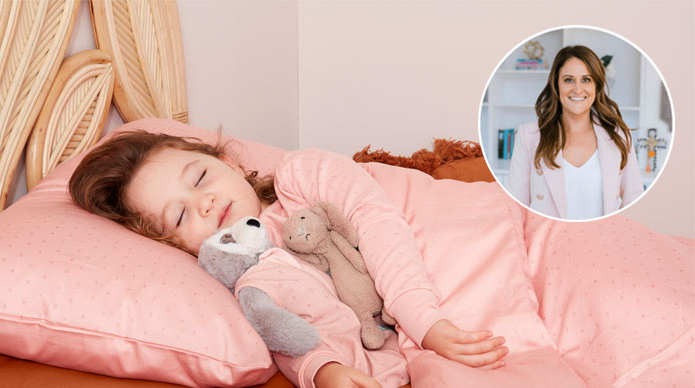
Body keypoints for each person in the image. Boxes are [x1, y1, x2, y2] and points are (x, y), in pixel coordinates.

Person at [68, 131, 510, 387]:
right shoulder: (255, 274)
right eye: (181, 214)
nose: (203, 202)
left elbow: (377, 223)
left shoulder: (303, 174)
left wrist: (424, 321)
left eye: (200, 177)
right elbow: (290, 331)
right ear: (175, 245)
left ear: (228, 162)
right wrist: (325, 371)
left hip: (480, 231)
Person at [506, 45, 643, 220]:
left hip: (605, 242)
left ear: (597, 85)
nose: (578, 89)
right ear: (556, 84)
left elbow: (634, 202)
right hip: (548, 242)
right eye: (569, 80)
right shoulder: (529, 136)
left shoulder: (619, 137)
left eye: (586, 79)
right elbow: (514, 208)